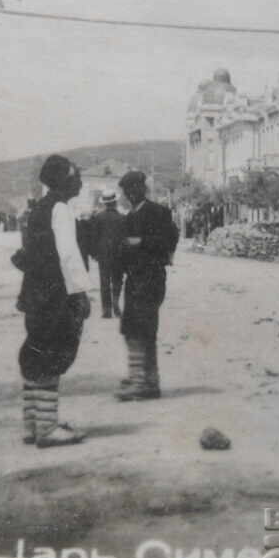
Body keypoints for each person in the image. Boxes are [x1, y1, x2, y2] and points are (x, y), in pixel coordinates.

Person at [14, 155, 92, 447]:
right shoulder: (60, 209)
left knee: (36, 352)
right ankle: (47, 428)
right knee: (52, 352)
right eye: (75, 176)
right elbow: (68, 256)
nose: (79, 181)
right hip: (55, 294)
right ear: (63, 180)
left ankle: (34, 422)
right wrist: (80, 294)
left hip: (35, 292)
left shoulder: (38, 210)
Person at [116, 170, 179, 401]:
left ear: (141, 189)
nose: (130, 194)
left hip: (150, 278)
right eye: (127, 191)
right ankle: (148, 380)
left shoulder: (157, 212)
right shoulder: (131, 215)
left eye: (133, 189)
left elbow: (169, 238)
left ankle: (141, 382)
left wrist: (140, 242)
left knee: (140, 327)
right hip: (135, 278)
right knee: (139, 328)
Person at [91, 190, 126, 319]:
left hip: (103, 253)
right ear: (115, 202)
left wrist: (94, 253)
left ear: (105, 204)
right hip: (118, 253)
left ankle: (107, 310)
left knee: (104, 281)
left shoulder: (98, 218)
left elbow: (93, 237)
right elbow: (125, 238)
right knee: (117, 279)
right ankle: (116, 302)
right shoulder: (122, 218)